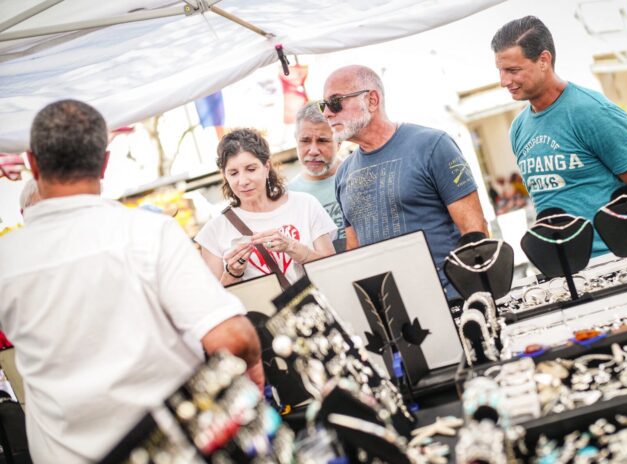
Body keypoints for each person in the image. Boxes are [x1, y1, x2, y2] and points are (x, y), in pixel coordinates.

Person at [0, 99, 264, 464]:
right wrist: (254, 365)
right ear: (104, 164)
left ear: (34, 166)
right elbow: (233, 338)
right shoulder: (148, 233)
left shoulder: (7, 257)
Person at [491, 16, 627, 261]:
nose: (503, 81)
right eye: (500, 70)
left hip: (623, 262)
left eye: (513, 70)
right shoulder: (518, 128)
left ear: (543, 60)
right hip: (566, 271)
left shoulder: (592, 111)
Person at [321, 65, 487, 294]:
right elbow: (355, 251)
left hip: (453, 302)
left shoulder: (432, 145)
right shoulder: (343, 173)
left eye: (335, 102)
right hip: (394, 316)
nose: (327, 113)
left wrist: (477, 300)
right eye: (324, 105)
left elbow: (475, 232)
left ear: (372, 100)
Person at [195, 128, 336, 286]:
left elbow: (333, 268)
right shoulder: (213, 232)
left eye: (251, 169)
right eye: (233, 173)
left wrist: (292, 247)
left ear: (267, 167)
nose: (243, 181)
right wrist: (233, 273)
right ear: (225, 175)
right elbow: (218, 302)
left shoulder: (305, 205)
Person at [288, 103, 347, 252]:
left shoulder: (358, 175)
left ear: (339, 141)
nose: (313, 150)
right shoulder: (286, 196)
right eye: (305, 141)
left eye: (322, 140)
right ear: (296, 140)